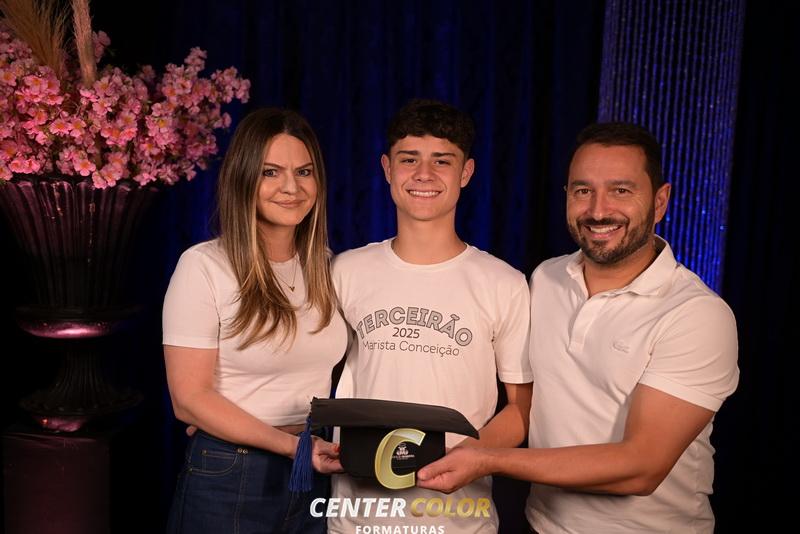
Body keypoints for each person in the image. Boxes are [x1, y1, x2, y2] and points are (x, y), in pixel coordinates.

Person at [416, 122, 740, 533]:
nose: (598, 211)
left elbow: (641, 467)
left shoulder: (696, 315)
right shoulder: (546, 280)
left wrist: (487, 461)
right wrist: (444, 457)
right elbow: (526, 408)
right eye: (583, 190)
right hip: (540, 525)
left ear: (660, 202)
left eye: (621, 190)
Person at [328, 99, 533, 534]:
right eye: (409, 159)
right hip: (358, 518)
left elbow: (520, 409)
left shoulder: (504, 283)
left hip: (459, 520)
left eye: (442, 160)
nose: (424, 174)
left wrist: (471, 457)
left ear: (466, 172)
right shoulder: (345, 271)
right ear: (387, 168)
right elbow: (302, 366)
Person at [162, 108, 347, 534]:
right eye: (270, 172)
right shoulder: (204, 266)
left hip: (314, 467)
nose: (291, 187)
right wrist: (295, 448)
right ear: (243, 177)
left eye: (304, 172)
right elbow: (188, 399)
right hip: (232, 471)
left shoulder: (327, 266)